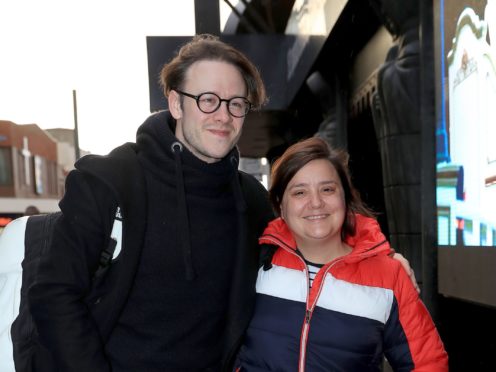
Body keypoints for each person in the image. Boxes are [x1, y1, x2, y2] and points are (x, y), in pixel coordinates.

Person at [27, 35, 415, 372]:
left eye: (236, 104)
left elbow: (314, 234)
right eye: (208, 100)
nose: (223, 116)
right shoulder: (110, 181)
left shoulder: (250, 199)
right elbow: (54, 295)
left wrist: (379, 257)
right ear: (176, 103)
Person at [234, 137, 448, 371]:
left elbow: (427, 363)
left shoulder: (390, 276)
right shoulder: (255, 260)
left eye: (327, 189)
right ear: (280, 206)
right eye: (299, 192)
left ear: (345, 197)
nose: (316, 202)